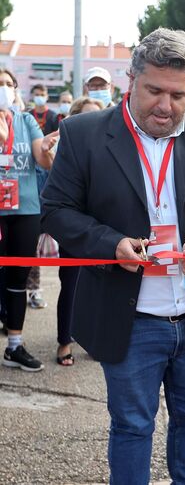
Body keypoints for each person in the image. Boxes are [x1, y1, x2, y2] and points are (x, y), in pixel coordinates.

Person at [41, 28, 185, 483]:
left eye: (178, 95)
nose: (166, 106)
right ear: (131, 80)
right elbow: (56, 211)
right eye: (154, 90)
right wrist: (110, 243)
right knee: (132, 427)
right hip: (128, 318)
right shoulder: (83, 133)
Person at [0, 68, 55, 372]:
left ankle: (14, 346)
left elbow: (42, 159)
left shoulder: (26, 120)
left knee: (18, 280)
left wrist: (46, 150)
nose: (4, 89)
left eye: (9, 84)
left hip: (25, 211)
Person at [52, 96, 106, 367]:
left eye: (99, 116)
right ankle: (65, 341)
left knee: (102, 286)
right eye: (87, 116)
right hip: (74, 226)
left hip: (105, 226)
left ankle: (94, 339)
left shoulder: (112, 146)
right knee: (72, 284)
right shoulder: (68, 146)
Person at [26, 84, 60, 310]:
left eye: (42, 94)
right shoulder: (27, 117)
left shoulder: (54, 117)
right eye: (36, 94)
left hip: (44, 189)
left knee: (34, 248)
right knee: (26, 250)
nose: (39, 98)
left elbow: (50, 158)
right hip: (26, 186)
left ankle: (34, 291)